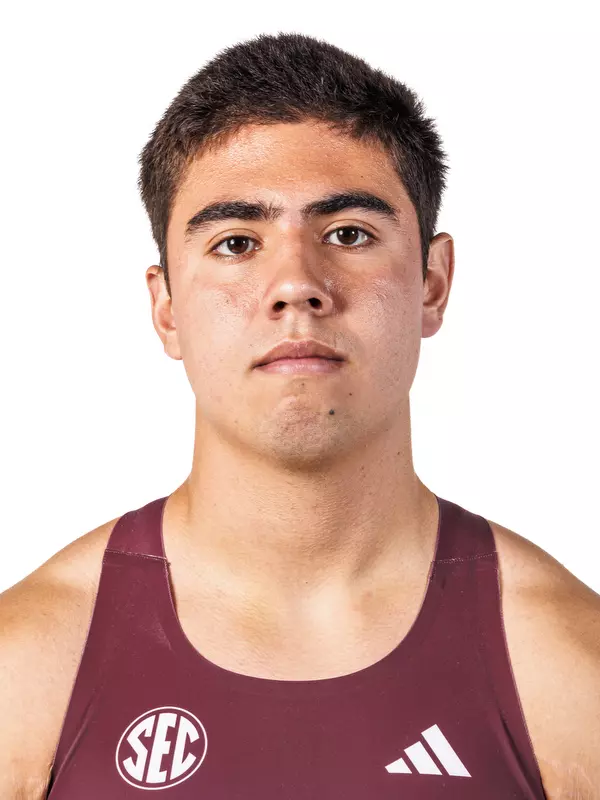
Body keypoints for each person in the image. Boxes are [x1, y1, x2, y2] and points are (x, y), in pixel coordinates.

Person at [1, 31, 598, 799]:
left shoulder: (570, 673)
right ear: (166, 307)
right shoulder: (27, 672)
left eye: (348, 234)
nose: (296, 285)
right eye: (237, 241)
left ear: (433, 284)